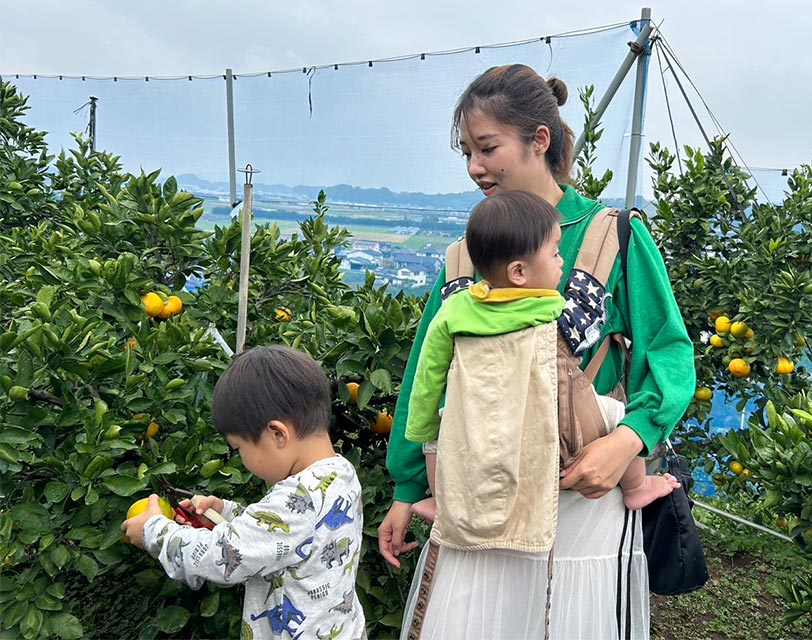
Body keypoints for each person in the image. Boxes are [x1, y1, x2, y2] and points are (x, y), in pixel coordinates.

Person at [378, 63, 695, 639]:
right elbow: (426, 376)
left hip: (581, 499)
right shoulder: (466, 257)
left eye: (488, 148)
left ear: (539, 140)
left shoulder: (611, 234)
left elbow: (667, 355)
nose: (475, 167)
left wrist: (628, 442)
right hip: (478, 501)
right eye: (467, 152)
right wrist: (407, 487)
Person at [407, 190, 679, 525]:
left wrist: (425, 423)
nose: (561, 262)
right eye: (554, 255)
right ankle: (637, 485)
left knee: (437, 438)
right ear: (519, 272)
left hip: (479, 415)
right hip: (544, 418)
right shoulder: (548, 304)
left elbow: (428, 372)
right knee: (618, 414)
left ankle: (442, 502)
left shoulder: (456, 306)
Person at [122, 345, 366, 640]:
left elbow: (223, 556)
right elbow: (287, 536)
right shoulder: (339, 472)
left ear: (277, 434)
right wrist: (224, 513)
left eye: (240, 449)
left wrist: (154, 532)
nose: (243, 461)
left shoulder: (298, 498)